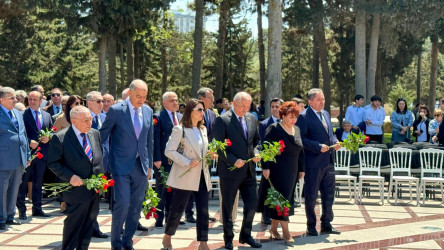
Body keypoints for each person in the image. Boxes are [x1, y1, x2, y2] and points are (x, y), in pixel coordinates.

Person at [100, 79, 154, 250]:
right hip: (120, 165)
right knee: (123, 203)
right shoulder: (116, 110)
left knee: (136, 205)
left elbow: (149, 140)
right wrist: (101, 160)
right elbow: (102, 136)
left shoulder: (148, 111)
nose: (141, 100)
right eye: (138, 96)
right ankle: (116, 242)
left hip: (141, 165)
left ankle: (127, 241)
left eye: (144, 96)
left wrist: (150, 165)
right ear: (130, 93)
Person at [162, 99, 217, 250]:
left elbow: (202, 151)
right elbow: (169, 151)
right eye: (199, 109)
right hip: (185, 176)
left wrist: (209, 154)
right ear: (190, 111)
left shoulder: (203, 130)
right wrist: (187, 161)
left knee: (203, 210)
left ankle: (203, 242)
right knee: (177, 209)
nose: (202, 112)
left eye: (203, 110)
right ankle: (167, 236)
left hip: (202, 176)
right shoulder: (180, 129)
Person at [47, 105, 104, 250]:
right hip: (75, 189)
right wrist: (70, 176)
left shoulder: (95, 133)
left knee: (89, 224)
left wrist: (102, 179)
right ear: (74, 121)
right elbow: (53, 163)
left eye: (90, 119)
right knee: (74, 224)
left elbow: (98, 158)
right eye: (85, 120)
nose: (89, 122)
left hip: (94, 189)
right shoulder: (60, 137)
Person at [213, 92, 262, 249]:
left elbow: (257, 141)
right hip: (230, 171)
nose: (245, 109)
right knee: (228, 206)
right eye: (242, 106)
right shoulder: (223, 119)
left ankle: (246, 235)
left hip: (249, 170)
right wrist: (233, 160)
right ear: (234, 103)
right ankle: (228, 238)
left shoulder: (252, 118)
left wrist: (257, 152)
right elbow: (218, 146)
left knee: (253, 203)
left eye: (248, 106)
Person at [296, 88, 341, 237]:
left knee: (329, 194)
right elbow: (301, 139)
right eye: (318, 100)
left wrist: (335, 141)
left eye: (323, 99)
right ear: (310, 102)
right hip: (313, 163)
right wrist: (317, 146)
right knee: (311, 195)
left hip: (328, 161)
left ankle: (327, 223)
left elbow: (331, 134)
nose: (322, 102)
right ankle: (311, 226)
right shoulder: (303, 116)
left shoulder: (326, 114)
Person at [261, 101, 305, 245]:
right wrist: (265, 167)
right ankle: (286, 233)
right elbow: (265, 148)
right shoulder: (274, 129)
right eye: (290, 117)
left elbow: (301, 151)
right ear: (283, 115)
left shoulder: (297, 129)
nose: (293, 120)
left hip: (292, 172)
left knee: (282, 200)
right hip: (277, 171)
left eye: (295, 117)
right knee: (282, 200)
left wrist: (302, 168)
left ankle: (273, 229)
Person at [17, 91, 53, 220]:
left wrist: (48, 137)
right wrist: (28, 142)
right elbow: (19, 134)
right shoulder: (22, 115)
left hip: (42, 154)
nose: (32, 101)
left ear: (40, 101)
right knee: (23, 182)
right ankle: (21, 210)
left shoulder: (47, 115)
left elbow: (52, 131)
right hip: (27, 154)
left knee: (38, 182)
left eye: (35, 99)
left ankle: (37, 208)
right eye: (30, 99)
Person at [0, 87, 30, 230]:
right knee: (2, 190)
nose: (15, 100)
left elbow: (23, 135)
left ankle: (10, 216)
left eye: (15, 97)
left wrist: (28, 155)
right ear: (2, 100)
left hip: (19, 157)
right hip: (3, 158)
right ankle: (1, 218)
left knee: (14, 189)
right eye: (11, 98)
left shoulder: (18, 113)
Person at [153, 91, 183, 228]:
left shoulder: (181, 117)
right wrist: (157, 158)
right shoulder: (158, 117)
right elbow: (156, 139)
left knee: (176, 190)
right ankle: (159, 218)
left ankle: (172, 217)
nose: (175, 103)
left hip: (178, 160)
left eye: (176, 100)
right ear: (164, 102)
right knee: (162, 190)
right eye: (172, 100)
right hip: (163, 161)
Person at [85, 91, 109, 238]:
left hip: (102, 163)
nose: (102, 104)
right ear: (89, 103)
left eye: (103, 101)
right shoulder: (83, 118)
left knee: (96, 198)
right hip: (87, 164)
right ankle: (89, 227)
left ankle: (93, 226)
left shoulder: (104, 117)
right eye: (98, 101)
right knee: (87, 199)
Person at [257, 98, 283, 225]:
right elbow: (263, 145)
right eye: (272, 106)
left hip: (283, 162)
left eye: (277, 106)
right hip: (269, 161)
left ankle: (277, 214)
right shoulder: (264, 124)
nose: (274, 108)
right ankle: (265, 214)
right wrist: (265, 164)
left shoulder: (287, 123)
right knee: (267, 188)